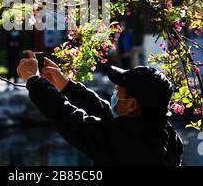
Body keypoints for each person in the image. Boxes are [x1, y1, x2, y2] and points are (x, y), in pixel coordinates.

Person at [17, 50, 183, 166]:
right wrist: (65, 85)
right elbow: (103, 111)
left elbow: (71, 120)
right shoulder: (167, 135)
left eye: (118, 90)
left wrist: (34, 81)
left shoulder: (125, 141)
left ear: (132, 104)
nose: (114, 92)